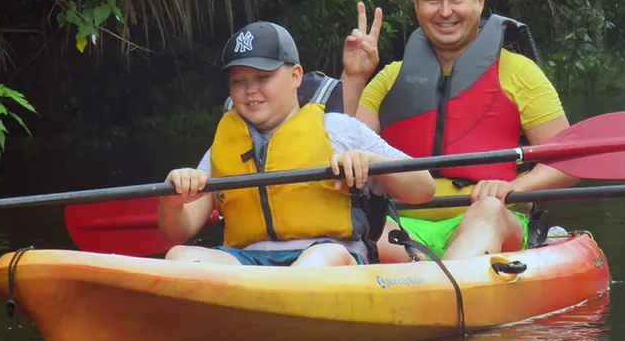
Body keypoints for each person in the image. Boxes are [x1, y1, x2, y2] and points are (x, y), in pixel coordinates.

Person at [340, 0, 578, 262]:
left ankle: (448, 278)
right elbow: (342, 147)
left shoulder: (519, 72)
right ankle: (424, 274)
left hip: (488, 218)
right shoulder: (389, 79)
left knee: (488, 212)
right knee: (360, 235)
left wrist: (514, 186)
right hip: (402, 223)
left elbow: (568, 162)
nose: (445, 11)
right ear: (416, 3)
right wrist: (354, 77)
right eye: (433, 0)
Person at [158, 21, 435, 267]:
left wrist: (369, 162)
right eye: (238, 81)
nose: (250, 90)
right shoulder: (222, 146)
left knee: (320, 260)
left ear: (295, 77)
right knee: (179, 257)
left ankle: (279, 304)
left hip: (328, 255)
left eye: (263, 77)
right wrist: (172, 199)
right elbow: (178, 231)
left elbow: (423, 188)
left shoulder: (338, 128)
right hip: (249, 262)